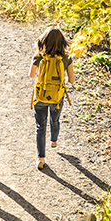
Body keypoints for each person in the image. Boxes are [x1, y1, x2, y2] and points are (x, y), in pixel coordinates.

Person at [29, 26, 75, 170]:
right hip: (57, 97)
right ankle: (54, 140)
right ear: (62, 42)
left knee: (40, 127)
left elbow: (31, 75)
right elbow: (72, 80)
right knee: (54, 120)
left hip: (41, 96)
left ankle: (41, 159)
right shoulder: (66, 58)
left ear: (45, 40)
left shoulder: (39, 57)